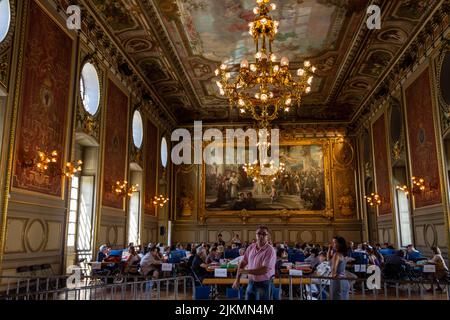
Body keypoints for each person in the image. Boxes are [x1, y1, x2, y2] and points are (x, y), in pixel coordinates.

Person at [232, 226, 276, 300]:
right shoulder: (251, 247)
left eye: (264, 234)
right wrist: (237, 279)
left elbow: (264, 270)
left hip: (264, 283)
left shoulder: (270, 250)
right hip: (251, 282)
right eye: (259, 233)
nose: (261, 236)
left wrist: (246, 271)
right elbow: (243, 262)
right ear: (256, 235)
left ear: (267, 236)